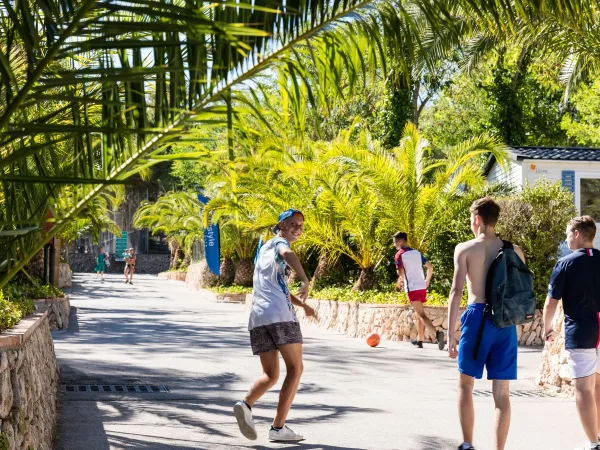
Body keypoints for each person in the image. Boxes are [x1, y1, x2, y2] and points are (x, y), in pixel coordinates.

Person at [447, 197, 525, 450]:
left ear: (477, 220)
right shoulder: (515, 250)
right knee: (502, 393)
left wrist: (450, 335)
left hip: (477, 317)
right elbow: (521, 290)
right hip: (505, 320)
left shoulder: (465, 249)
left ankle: (468, 444)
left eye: (471, 220)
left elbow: (456, 292)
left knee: (466, 385)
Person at [233, 209, 316, 442]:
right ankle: (278, 428)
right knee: (296, 368)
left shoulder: (263, 251)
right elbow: (288, 252)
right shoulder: (280, 244)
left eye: (300, 225)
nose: (297, 228)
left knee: (270, 375)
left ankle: (245, 404)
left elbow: (277, 288)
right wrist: (304, 278)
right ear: (280, 225)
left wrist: (304, 306)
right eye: (292, 224)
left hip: (258, 318)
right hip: (280, 316)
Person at [543, 216, 600, 450]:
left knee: (584, 389)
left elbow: (551, 303)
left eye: (567, 234)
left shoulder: (565, 264)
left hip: (582, 332)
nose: (566, 238)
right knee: (597, 385)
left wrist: (547, 329)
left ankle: (593, 443)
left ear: (577, 233)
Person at [393, 231, 444, 349]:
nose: (394, 245)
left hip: (412, 288)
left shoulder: (399, 254)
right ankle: (420, 340)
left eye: (395, 242)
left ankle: (437, 334)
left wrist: (400, 281)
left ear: (401, 241)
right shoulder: (417, 253)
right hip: (421, 286)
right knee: (419, 313)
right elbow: (430, 267)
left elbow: (400, 273)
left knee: (421, 314)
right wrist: (427, 280)